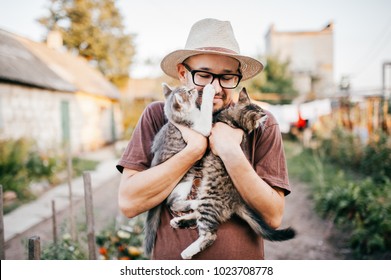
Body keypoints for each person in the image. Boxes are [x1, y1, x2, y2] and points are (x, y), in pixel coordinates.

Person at [117, 18, 291, 260]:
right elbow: (129, 202)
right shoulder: (157, 115)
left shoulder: (259, 122)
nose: (216, 88)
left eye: (227, 77)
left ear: (238, 78)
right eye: (204, 75)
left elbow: (273, 216)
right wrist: (194, 150)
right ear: (182, 74)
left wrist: (230, 151)